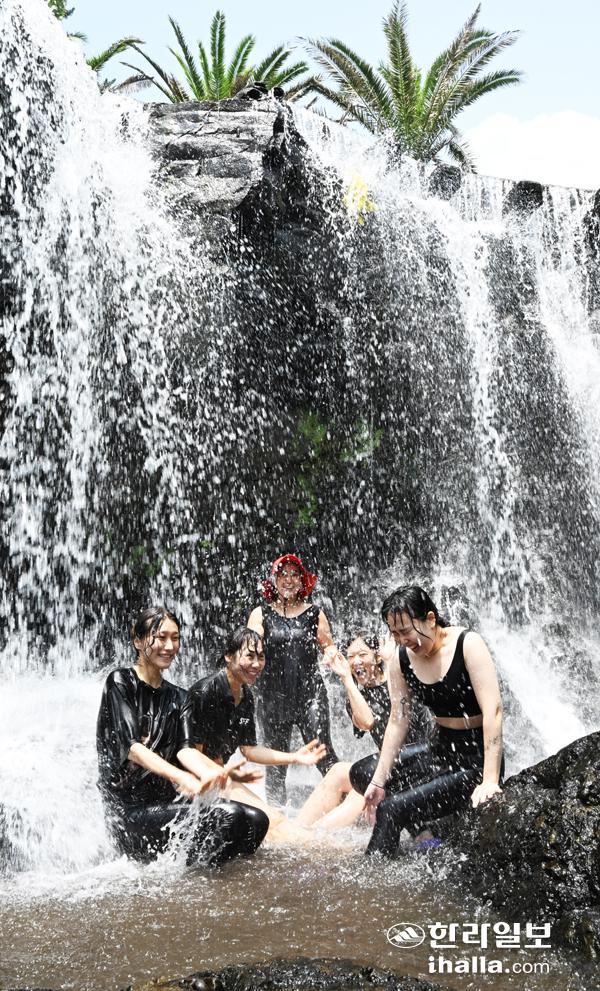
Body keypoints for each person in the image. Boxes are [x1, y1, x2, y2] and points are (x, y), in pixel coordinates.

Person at [96, 606, 269, 867]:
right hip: (128, 813)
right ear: (138, 641)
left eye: (175, 638)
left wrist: (216, 773)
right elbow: (133, 748)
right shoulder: (120, 682)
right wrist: (181, 777)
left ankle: (209, 875)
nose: (169, 646)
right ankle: (198, 877)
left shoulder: (179, 697)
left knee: (257, 820)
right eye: (161, 637)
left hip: (168, 806)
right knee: (229, 815)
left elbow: (186, 750)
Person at [351, 585, 503, 857]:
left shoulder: (467, 644)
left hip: (475, 759)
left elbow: (493, 711)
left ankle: (372, 875)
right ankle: (425, 830)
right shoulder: (401, 659)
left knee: (391, 809)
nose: (402, 640)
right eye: (394, 634)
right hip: (440, 749)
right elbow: (398, 720)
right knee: (363, 774)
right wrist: (379, 781)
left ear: (430, 619)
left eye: (406, 631)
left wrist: (490, 779)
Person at [178, 626, 324, 843]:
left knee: (273, 822)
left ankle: (315, 845)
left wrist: (294, 757)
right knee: (272, 821)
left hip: (222, 777)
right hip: (200, 782)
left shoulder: (246, 696)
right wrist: (219, 778)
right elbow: (192, 755)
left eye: (261, 657)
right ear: (229, 656)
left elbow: (249, 750)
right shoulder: (205, 692)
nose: (257, 664)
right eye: (250, 656)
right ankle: (320, 849)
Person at [246, 553, 339, 803]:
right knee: (276, 768)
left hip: (311, 695)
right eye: (283, 575)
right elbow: (250, 645)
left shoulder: (315, 613)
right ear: (274, 581)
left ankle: (347, 803)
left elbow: (328, 646)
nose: (288, 580)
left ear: (302, 580)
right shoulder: (261, 614)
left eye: (294, 574)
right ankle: (277, 818)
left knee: (324, 753)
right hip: (272, 698)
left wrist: (334, 656)